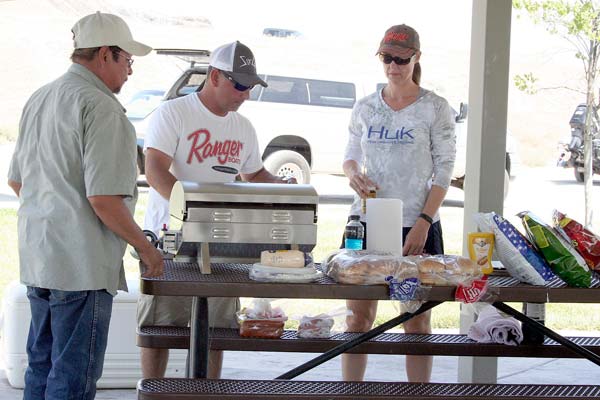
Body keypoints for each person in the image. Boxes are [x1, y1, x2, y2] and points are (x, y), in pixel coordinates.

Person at [7, 11, 164, 400]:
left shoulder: (41, 97)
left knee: (41, 367)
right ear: (106, 54)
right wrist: (146, 250)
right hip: (81, 266)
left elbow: (17, 180)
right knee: (72, 377)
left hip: (39, 255)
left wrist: (53, 211)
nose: (130, 71)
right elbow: (105, 199)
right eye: (128, 60)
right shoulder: (103, 108)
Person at [137, 40, 294, 379]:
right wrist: (192, 210)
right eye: (239, 84)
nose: (245, 94)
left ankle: (207, 390)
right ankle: (154, 390)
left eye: (250, 86)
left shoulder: (243, 127)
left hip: (225, 243)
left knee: (219, 330)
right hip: (172, 242)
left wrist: (287, 191)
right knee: (160, 328)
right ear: (214, 76)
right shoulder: (174, 112)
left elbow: (254, 174)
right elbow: (155, 171)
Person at [341, 24, 456, 382]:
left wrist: (424, 220)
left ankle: (418, 391)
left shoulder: (435, 108)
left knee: (416, 317)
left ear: (416, 58)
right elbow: (349, 155)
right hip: (367, 222)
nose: (393, 66)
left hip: (415, 226)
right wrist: (352, 174)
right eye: (387, 58)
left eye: (401, 59)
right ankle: (349, 390)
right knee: (358, 316)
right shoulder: (365, 107)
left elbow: (444, 171)